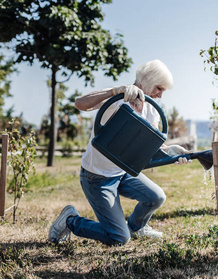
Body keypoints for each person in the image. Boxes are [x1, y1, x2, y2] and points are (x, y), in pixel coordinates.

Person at [48, 60, 192, 246]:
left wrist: (170, 152)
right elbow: (80, 104)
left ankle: (136, 227)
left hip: (123, 173)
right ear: (147, 80)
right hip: (97, 178)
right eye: (159, 88)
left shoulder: (153, 112)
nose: (160, 95)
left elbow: (149, 146)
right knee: (118, 238)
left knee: (156, 197)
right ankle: (70, 220)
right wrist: (115, 91)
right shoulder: (118, 100)